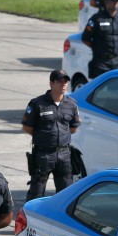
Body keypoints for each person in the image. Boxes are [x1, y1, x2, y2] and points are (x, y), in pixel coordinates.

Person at [22, 69, 82, 201]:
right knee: (36, 192)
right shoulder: (38, 104)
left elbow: (74, 127)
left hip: (64, 154)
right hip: (43, 154)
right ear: (51, 83)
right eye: (60, 81)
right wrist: (45, 137)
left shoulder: (71, 104)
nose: (63, 84)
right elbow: (27, 127)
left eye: (65, 81)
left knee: (66, 193)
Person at [82, 0, 118, 80]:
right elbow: (85, 39)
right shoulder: (96, 19)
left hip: (117, 63)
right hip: (101, 63)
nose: (115, 3)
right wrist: (98, 48)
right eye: (113, 0)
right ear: (106, 2)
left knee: (116, 88)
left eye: (117, 1)